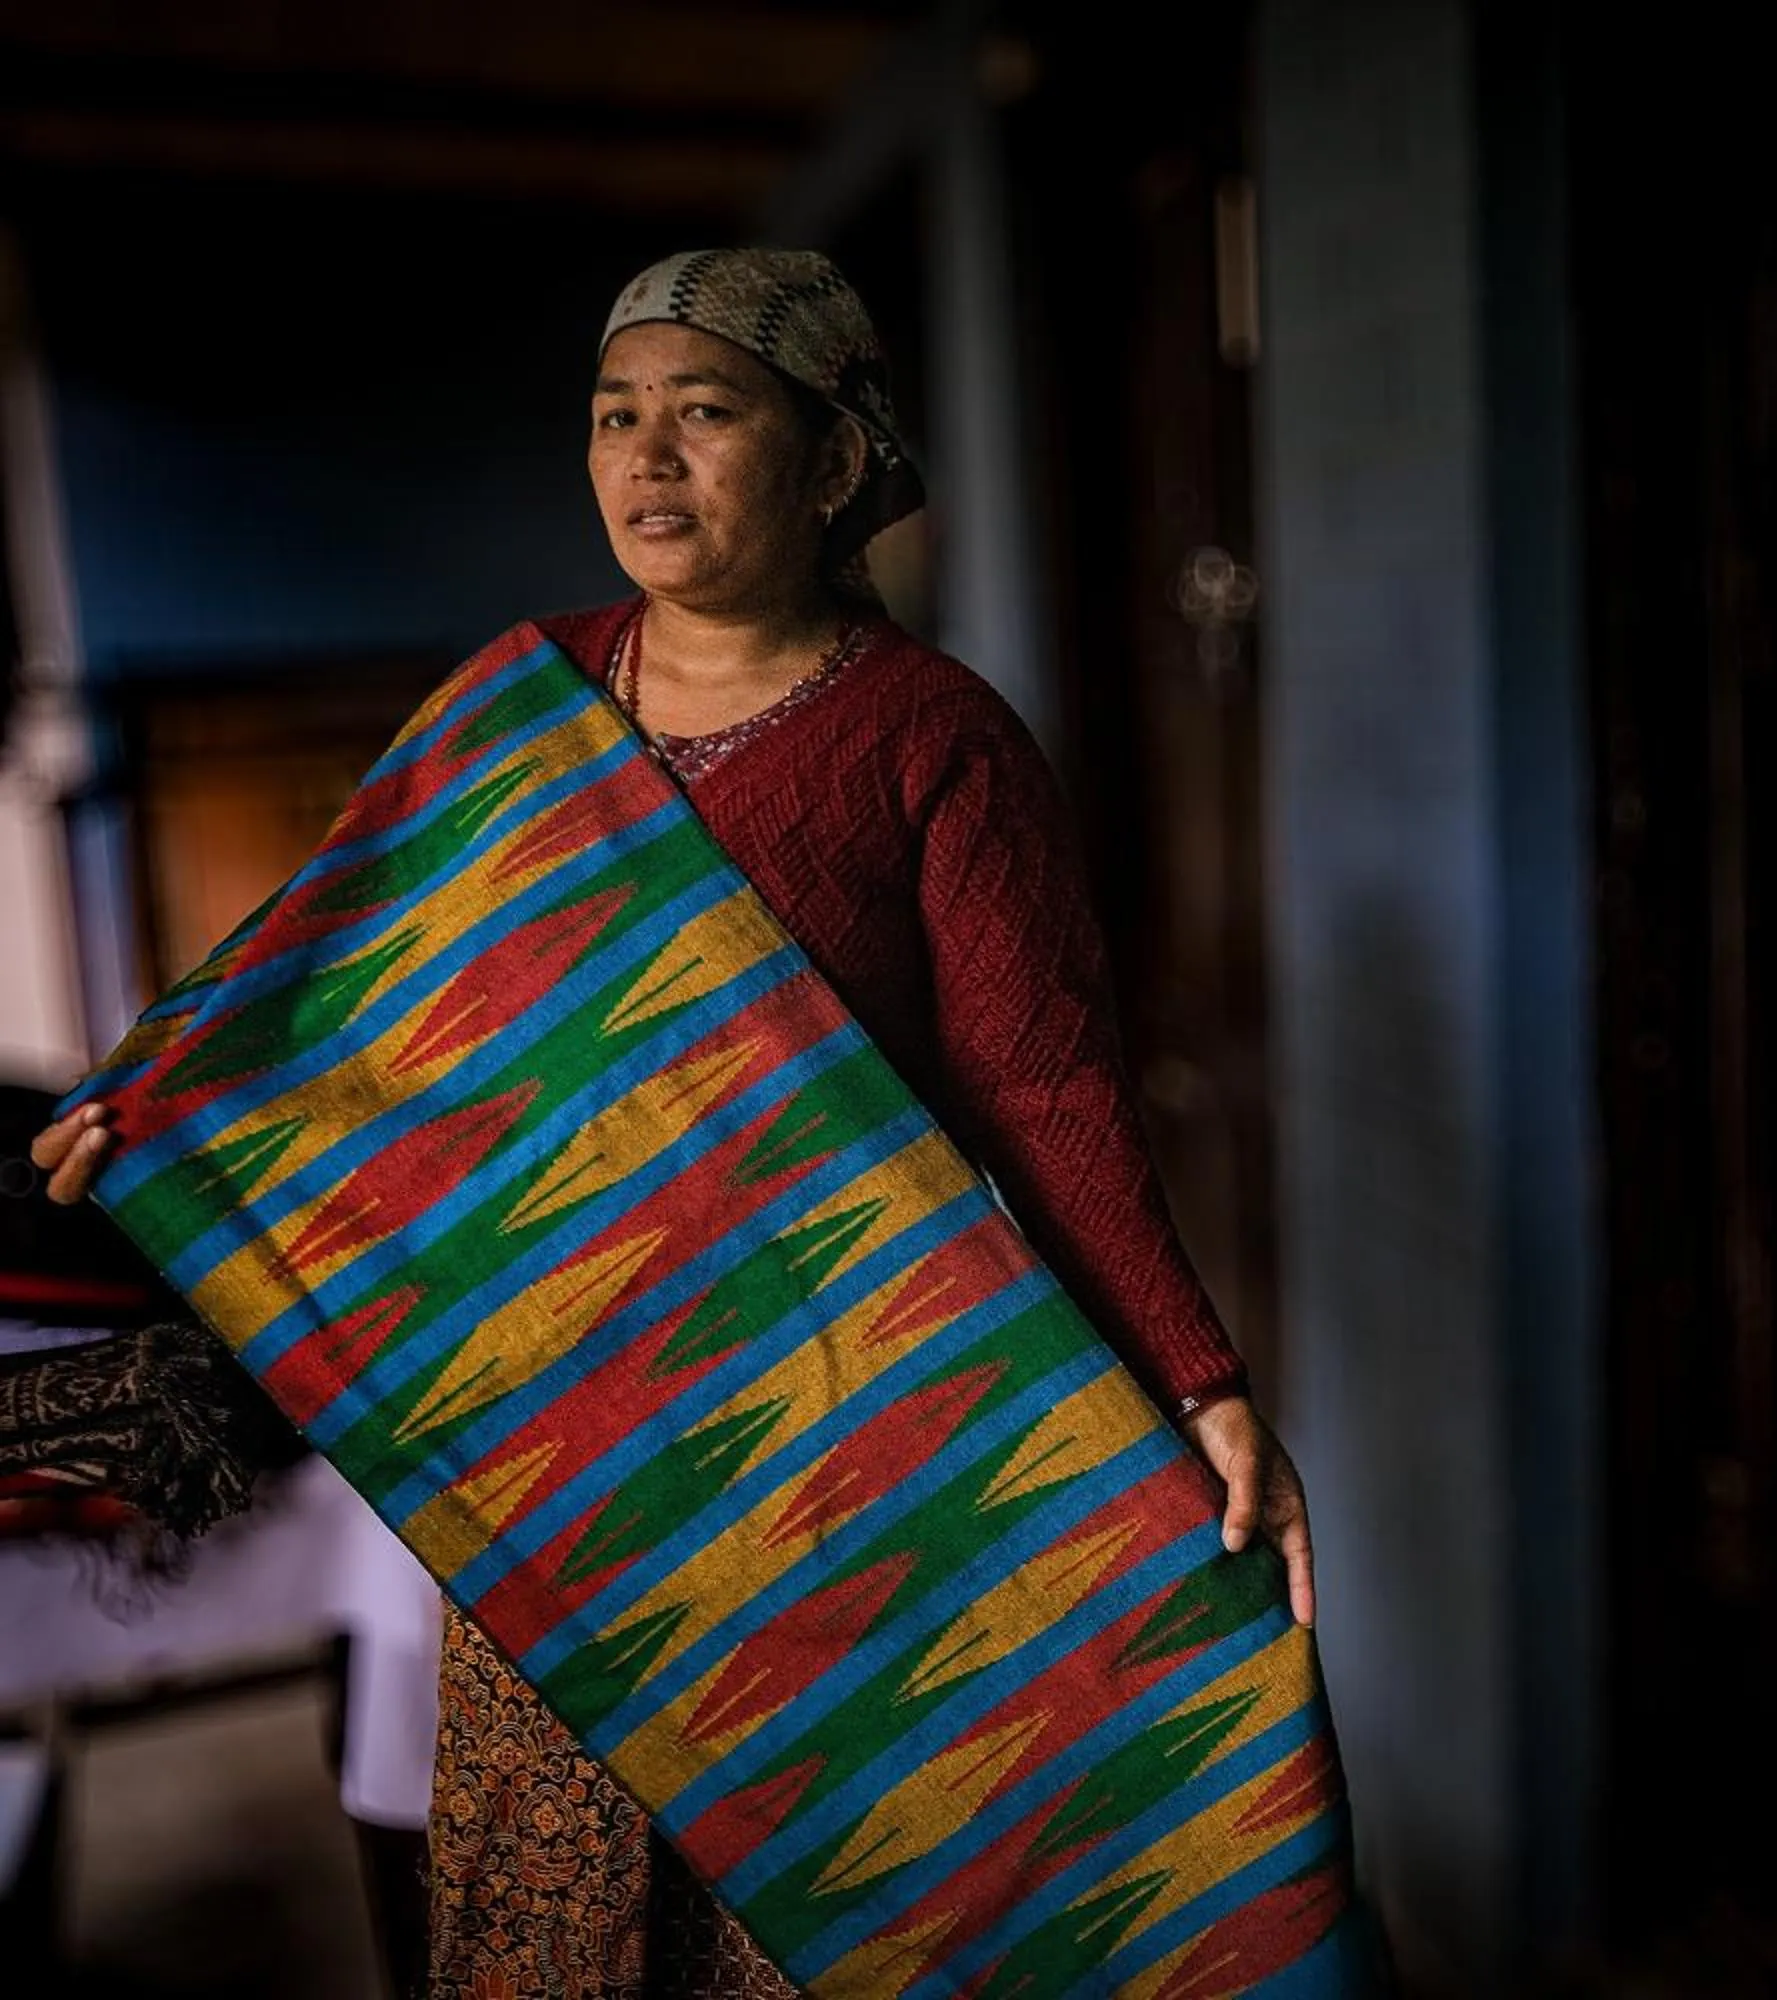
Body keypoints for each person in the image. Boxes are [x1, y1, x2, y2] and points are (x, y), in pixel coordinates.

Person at [27, 249, 1317, 2000]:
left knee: (819, 1902)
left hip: (820, 1449)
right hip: (558, 1451)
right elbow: (342, 990)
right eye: (615, 419)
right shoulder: (519, 714)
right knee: (553, 1919)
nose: (647, 461)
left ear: (836, 458)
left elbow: (1043, 1084)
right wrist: (160, 1102)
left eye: (705, 416)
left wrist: (1198, 1378)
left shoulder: (931, 739)